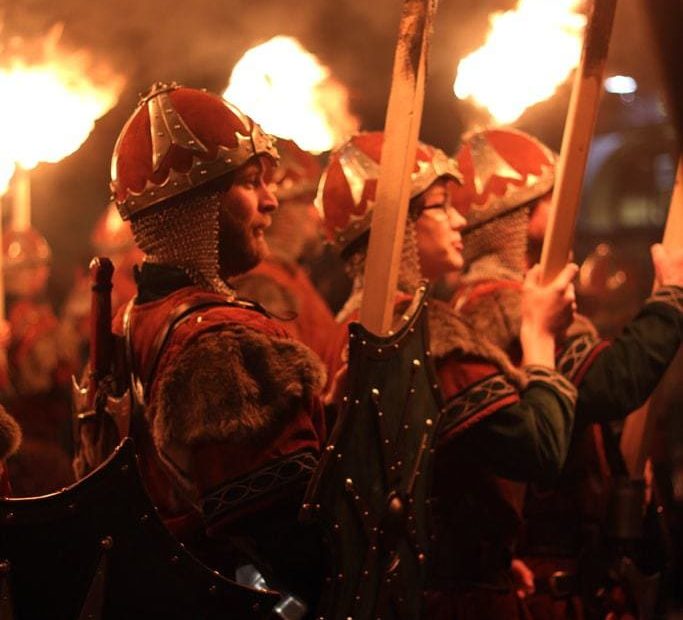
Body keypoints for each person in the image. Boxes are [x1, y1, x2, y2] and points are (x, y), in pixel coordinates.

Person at [76, 82, 328, 611]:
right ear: (199, 204)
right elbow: (290, 536)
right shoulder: (217, 340)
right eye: (250, 182)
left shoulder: (139, 317)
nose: (271, 199)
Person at [316, 131, 580, 619]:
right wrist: (539, 338)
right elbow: (537, 449)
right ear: (403, 225)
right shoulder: (421, 331)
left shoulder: (339, 330)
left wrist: (485, 556)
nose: (460, 218)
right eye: (440, 206)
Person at [450, 127, 683, 620]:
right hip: (542, 581)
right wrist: (671, 300)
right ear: (522, 216)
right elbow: (609, 383)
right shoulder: (509, 303)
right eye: (553, 199)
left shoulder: (481, 301)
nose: (568, 212)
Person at [233, 138, 336, 360]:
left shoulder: (287, 275)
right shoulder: (261, 285)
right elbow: (283, 380)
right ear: (282, 211)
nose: (315, 214)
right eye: (306, 203)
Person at [1, 226, 78, 495]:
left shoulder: (38, 312)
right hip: (26, 436)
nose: (42, 272)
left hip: (47, 428)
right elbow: (46, 379)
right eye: (34, 266)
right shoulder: (24, 321)